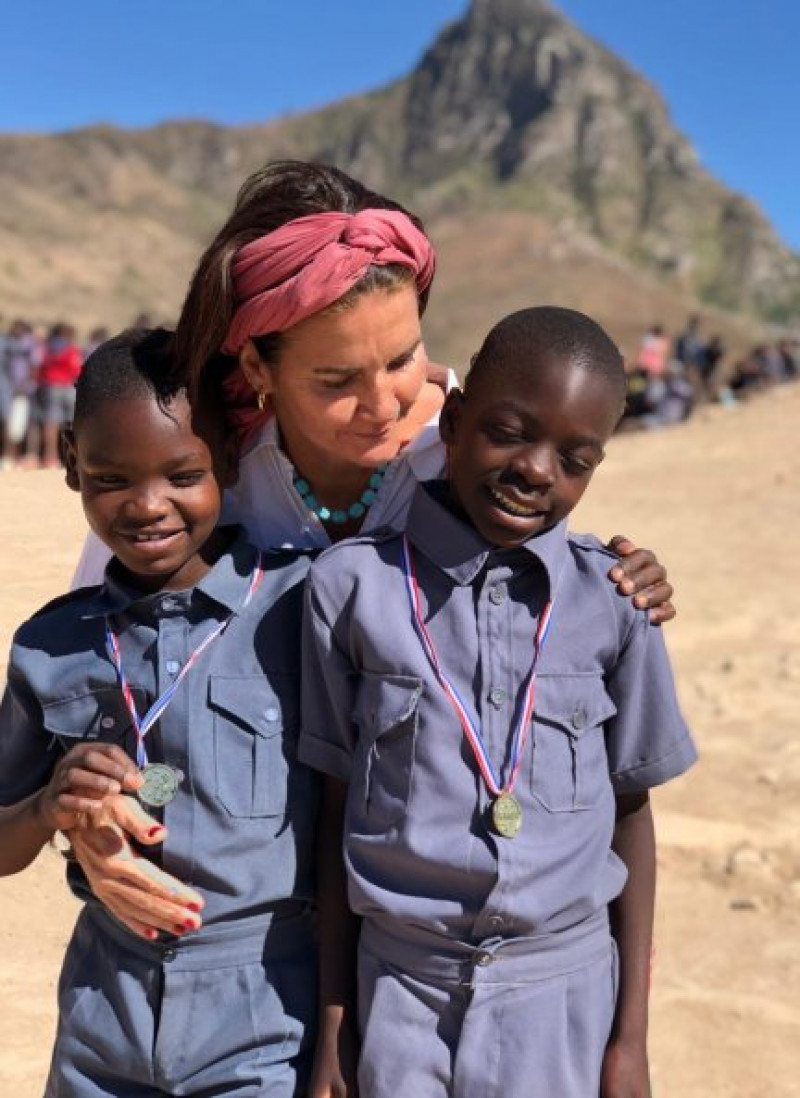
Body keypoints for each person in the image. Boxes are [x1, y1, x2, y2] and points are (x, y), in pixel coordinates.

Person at [65, 161, 676, 948]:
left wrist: (631, 577)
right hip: (243, 906)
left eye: (401, 359)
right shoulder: (197, 476)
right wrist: (92, 823)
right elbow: (102, 669)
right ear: (258, 368)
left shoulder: (469, 441)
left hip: (427, 919)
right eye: (336, 379)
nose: (386, 403)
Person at [299, 306, 697, 1098]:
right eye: (509, 432)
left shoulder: (617, 602)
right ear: (453, 420)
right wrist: (337, 1025)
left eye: (575, 459)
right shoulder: (350, 589)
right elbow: (332, 810)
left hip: (565, 1005)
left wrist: (630, 1041)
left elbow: (631, 814)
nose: (537, 470)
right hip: (401, 996)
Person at [0, 329, 318, 1096]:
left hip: (266, 1011)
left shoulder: (306, 604)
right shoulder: (52, 644)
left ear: (232, 460)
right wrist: (50, 804)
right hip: (103, 1011)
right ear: (72, 458)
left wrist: (611, 570)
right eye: (110, 477)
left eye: (183, 474)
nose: (147, 507)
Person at [35, 322, 83, 467]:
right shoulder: (71, 348)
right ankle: (73, 457)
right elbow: (77, 369)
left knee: (51, 423)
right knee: (73, 424)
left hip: (51, 387)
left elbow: (39, 365)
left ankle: (50, 458)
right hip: (68, 387)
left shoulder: (47, 348)